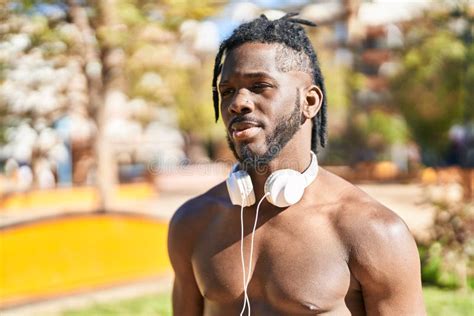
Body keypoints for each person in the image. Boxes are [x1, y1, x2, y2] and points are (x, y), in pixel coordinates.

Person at [168, 13, 425, 315]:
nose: (238, 102)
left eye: (260, 85)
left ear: (310, 101)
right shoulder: (192, 222)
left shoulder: (373, 232)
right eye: (227, 91)